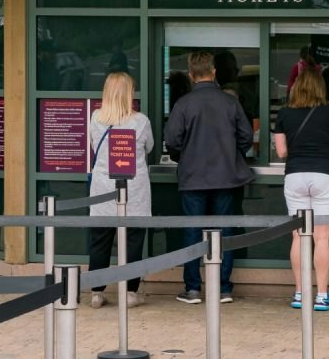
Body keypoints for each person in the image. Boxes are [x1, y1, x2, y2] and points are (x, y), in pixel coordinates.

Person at [164, 50, 252, 304]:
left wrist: (185, 157)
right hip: (226, 177)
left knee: (192, 231)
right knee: (225, 230)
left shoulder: (184, 104)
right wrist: (230, 155)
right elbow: (246, 137)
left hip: (193, 178)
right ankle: (223, 287)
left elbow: (172, 140)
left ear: (192, 75)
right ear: (213, 72)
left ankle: (193, 288)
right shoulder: (229, 102)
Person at [274, 67, 329, 312]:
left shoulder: (284, 113)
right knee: (322, 238)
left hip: (295, 175)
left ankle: (299, 294)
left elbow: (282, 152)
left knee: (298, 236)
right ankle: (322, 296)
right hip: (325, 174)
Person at [85, 70, 152, 309]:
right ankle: (130, 292)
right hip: (133, 187)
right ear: (128, 94)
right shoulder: (141, 121)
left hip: (103, 186)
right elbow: (149, 147)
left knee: (99, 241)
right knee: (133, 240)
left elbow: (94, 147)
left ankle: (96, 291)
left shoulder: (95, 118)